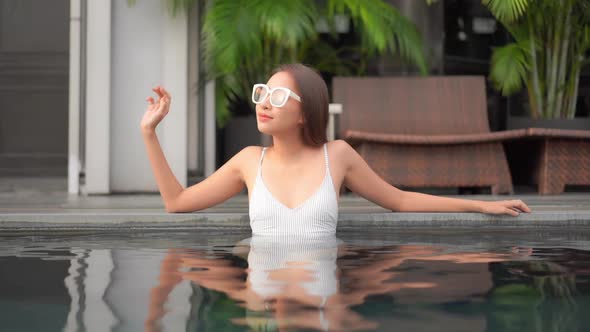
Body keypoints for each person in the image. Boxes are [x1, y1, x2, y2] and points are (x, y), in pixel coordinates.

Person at [140, 63, 531, 235]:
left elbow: (399, 200)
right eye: (263, 92)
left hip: (321, 303)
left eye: (277, 95)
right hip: (263, 306)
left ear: (305, 112)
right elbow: (177, 202)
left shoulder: (337, 155)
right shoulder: (248, 161)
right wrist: (150, 133)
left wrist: (482, 205)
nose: (264, 101)